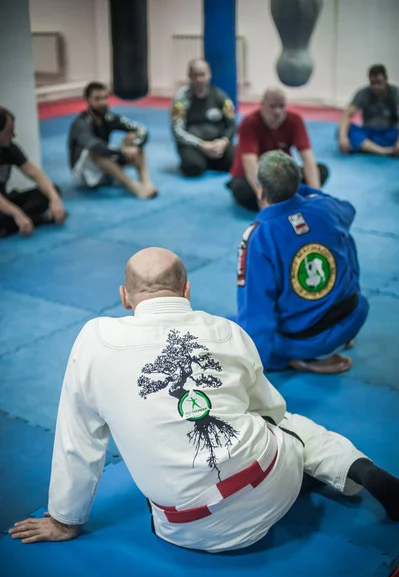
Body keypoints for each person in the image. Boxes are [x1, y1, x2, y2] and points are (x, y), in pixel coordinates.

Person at [9, 248, 398, 552]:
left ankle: (318, 472)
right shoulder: (227, 331)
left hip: (185, 527)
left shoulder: (94, 340)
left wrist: (65, 518)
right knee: (290, 425)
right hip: (271, 486)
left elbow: (78, 440)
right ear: (187, 290)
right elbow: (271, 412)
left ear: (124, 297)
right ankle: (356, 467)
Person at [236, 150, 369, 375]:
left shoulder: (259, 236)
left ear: (260, 190)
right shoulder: (324, 208)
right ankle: (340, 338)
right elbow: (349, 209)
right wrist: (298, 194)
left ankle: (297, 360)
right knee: (344, 239)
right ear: (299, 184)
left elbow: (257, 312)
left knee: (233, 327)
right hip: (354, 316)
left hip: (307, 341)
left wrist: (258, 365)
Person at [227, 88, 329, 212]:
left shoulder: (295, 121)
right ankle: (287, 200)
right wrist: (263, 199)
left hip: (280, 174)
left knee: (321, 171)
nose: (277, 111)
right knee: (242, 191)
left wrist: (315, 196)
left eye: (281, 106)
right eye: (272, 106)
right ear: (262, 105)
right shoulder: (249, 123)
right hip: (253, 177)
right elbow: (250, 166)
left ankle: (284, 200)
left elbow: (308, 158)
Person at [68, 82, 158, 198]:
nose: (102, 103)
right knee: (95, 152)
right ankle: (133, 186)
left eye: (105, 98)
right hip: (85, 175)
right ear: (88, 100)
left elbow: (142, 129)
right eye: (97, 99)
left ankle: (146, 182)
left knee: (133, 138)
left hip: (105, 168)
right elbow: (96, 147)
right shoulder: (80, 123)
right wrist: (122, 151)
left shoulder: (109, 118)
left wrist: (134, 145)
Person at [0, 107, 66, 238]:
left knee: (52, 190)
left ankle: (13, 224)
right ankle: (37, 219)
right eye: (9, 132)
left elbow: (35, 173)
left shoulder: (10, 149)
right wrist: (17, 214)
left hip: (5, 202)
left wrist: (55, 199)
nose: (13, 136)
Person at [171, 59, 236, 177]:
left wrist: (224, 141)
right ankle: (204, 161)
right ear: (189, 76)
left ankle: (211, 161)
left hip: (218, 144)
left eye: (202, 75)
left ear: (209, 75)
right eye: (195, 75)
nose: (199, 80)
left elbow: (231, 125)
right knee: (192, 168)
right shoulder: (180, 100)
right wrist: (202, 145)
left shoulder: (222, 97)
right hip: (194, 145)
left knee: (237, 162)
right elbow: (177, 131)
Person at [338, 64, 399, 156]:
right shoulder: (363, 93)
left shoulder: (395, 93)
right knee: (343, 130)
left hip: (389, 133)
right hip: (369, 133)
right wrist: (342, 137)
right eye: (372, 83)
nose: (375, 87)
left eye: (379, 83)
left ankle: (366, 148)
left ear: (386, 80)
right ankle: (384, 151)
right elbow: (347, 114)